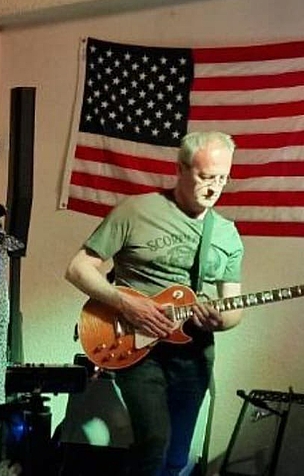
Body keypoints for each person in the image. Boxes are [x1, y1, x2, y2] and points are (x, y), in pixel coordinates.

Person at [65, 131, 244, 476]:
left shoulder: (226, 233)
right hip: (137, 345)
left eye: (223, 178)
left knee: (177, 455)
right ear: (180, 169)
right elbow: (78, 269)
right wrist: (125, 304)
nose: (215, 188)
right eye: (206, 177)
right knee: (153, 441)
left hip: (193, 353)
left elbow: (233, 307)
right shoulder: (135, 211)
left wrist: (221, 320)